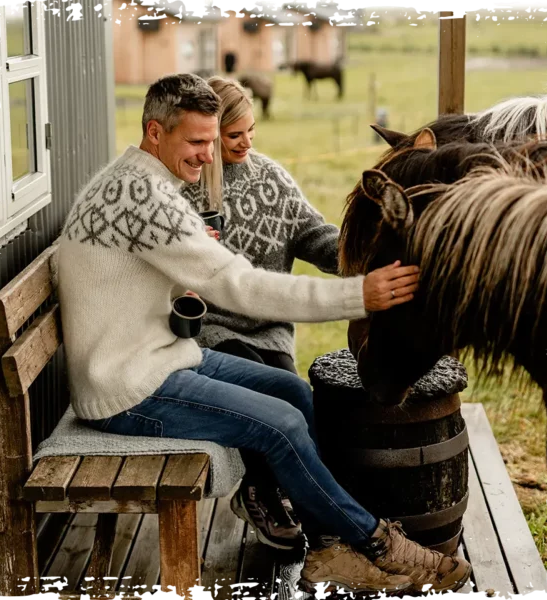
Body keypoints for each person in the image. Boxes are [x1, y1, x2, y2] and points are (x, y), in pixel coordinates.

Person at [57, 73, 471, 597]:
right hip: (126, 386)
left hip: (157, 355)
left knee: (296, 393)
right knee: (278, 425)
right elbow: (239, 286)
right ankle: (379, 546)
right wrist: (359, 295)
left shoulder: (139, 182)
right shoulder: (143, 197)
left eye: (213, 140)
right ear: (154, 132)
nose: (209, 157)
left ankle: (326, 551)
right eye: (197, 141)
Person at [179, 75, 342, 549]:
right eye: (235, 135)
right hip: (209, 331)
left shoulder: (271, 176)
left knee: (296, 393)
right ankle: (260, 491)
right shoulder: (184, 189)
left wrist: (363, 258)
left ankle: (294, 493)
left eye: (251, 131)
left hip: (269, 327)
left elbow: (316, 236)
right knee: (267, 405)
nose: (247, 142)